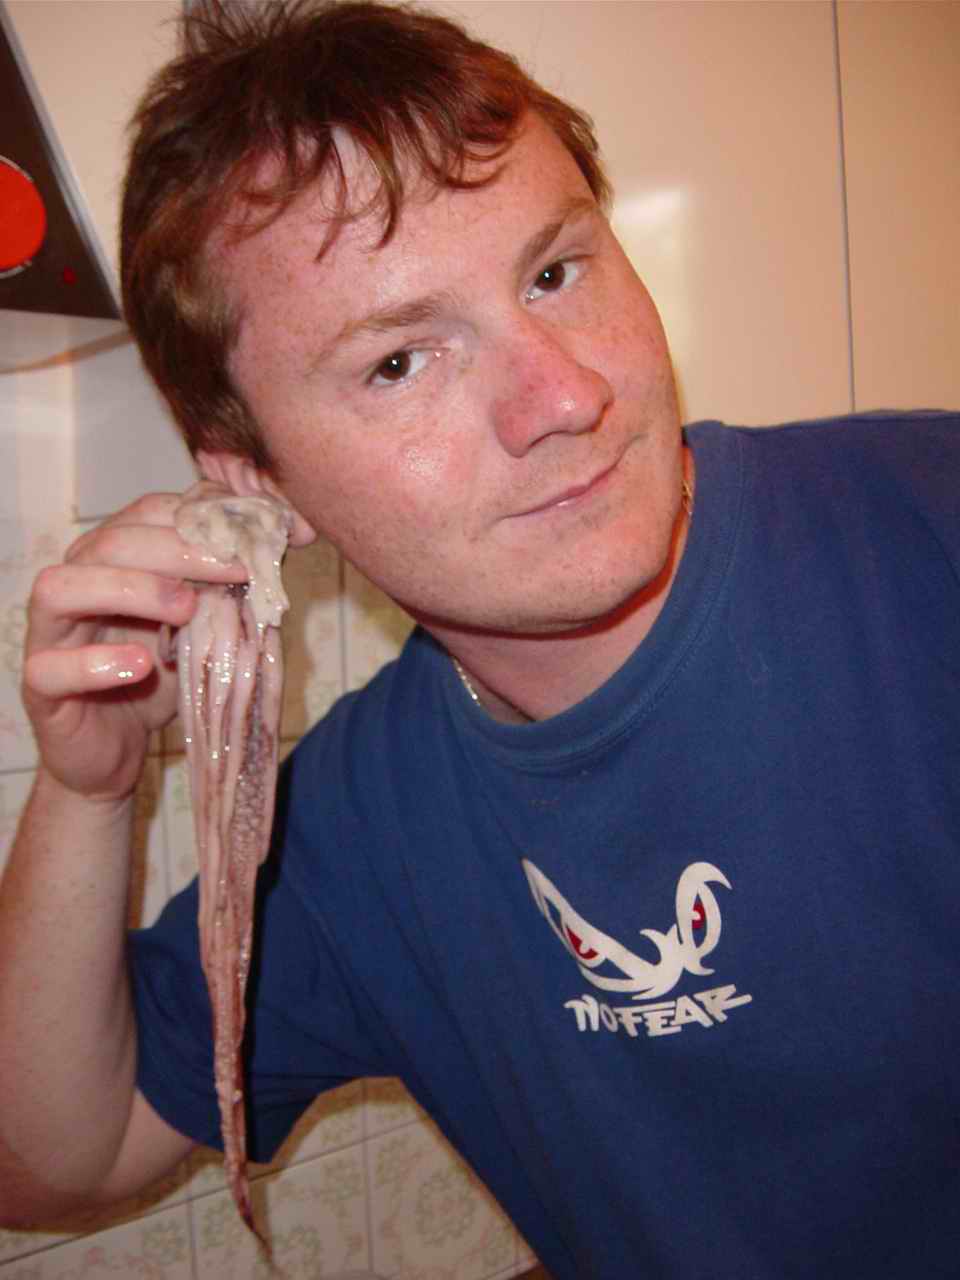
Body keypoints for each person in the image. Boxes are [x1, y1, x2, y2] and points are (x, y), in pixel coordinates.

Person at [1, 2, 957, 1276]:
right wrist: (86, 791)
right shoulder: (355, 830)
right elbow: (53, 1159)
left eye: (554, 272)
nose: (566, 395)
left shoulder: (931, 532)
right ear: (261, 485)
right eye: (401, 361)